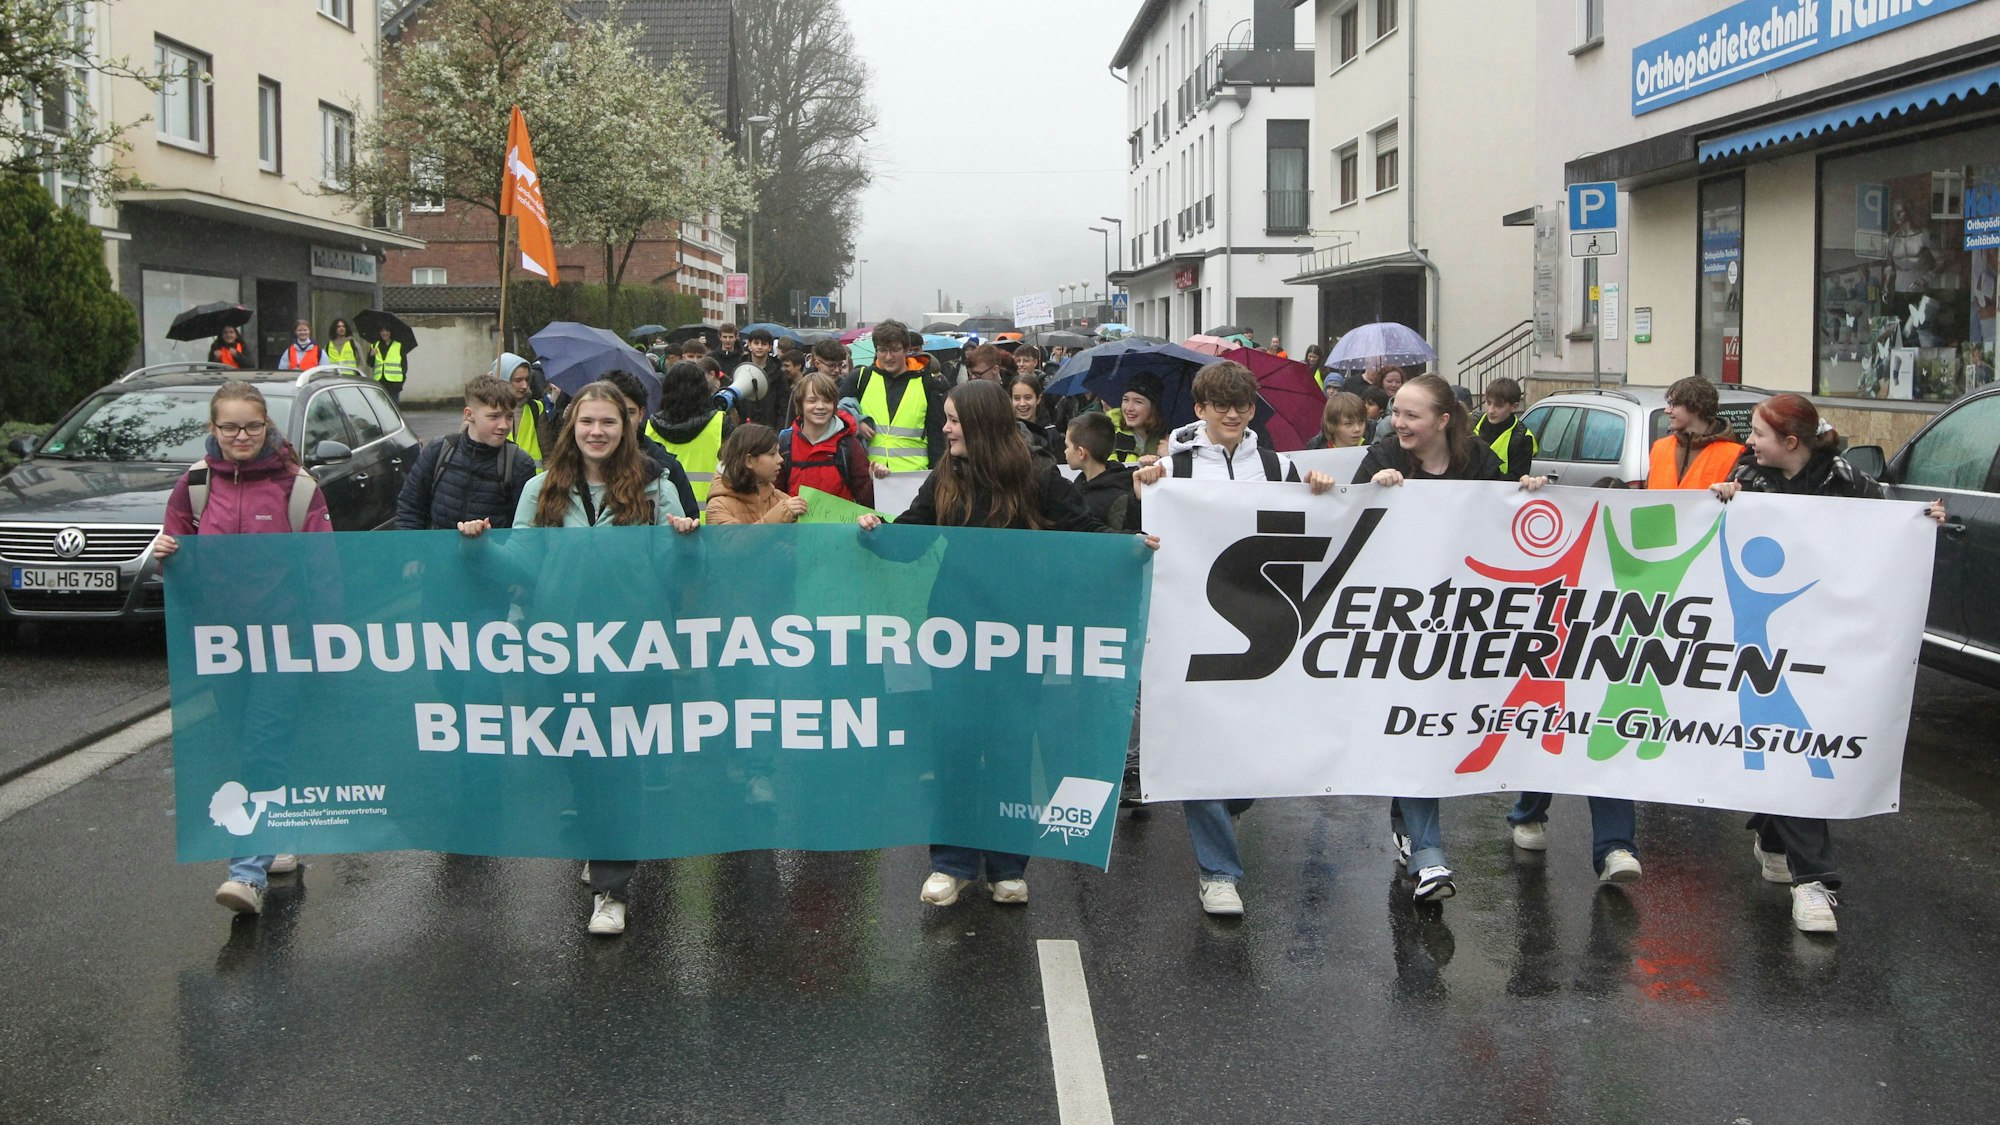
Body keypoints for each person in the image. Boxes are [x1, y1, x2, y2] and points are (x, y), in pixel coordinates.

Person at [857, 381, 1147, 908]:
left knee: (1012, 744)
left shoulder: (1039, 475)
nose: (944, 429)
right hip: (955, 634)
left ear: (981, 424)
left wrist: (1133, 547)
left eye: (953, 420)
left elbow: (1082, 530)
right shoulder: (947, 474)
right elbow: (910, 539)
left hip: (1020, 633)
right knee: (956, 743)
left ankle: (1008, 867)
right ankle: (951, 863)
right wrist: (874, 530)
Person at [460, 382, 699, 936]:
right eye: (587, 421)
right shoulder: (540, 489)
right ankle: (602, 843)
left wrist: (686, 544)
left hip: (633, 649)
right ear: (572, 426)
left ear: (626, 428)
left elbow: (672, 575)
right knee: (582, 762)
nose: (597, 431)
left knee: (617, 764)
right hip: (561, 650)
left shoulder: (656, 486)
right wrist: (480, 550)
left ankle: (612, 886)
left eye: (608, 422)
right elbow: (522, 568)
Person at [1711, 393, 1946, 933]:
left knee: (1799, 744)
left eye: (1759, 434)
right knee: (1793, 747)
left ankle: (1775, 836)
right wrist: (1722, 500)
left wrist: (1921, 519)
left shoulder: (1846, 480)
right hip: (1763, 647)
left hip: (1827, 641)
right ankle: (1813, 880)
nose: (1749, 441)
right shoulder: (1748, 478)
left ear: (1791, 442)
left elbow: (1887, 524)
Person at [1130, 361, 1335, 916]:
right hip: (1190, 628)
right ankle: (1218, 872)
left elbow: (1316, 526)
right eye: (1220, 405)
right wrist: (1141, 494)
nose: (1232, 414)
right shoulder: (1172, 469)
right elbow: (1139, 532)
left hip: (1262, 630)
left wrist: (1321, 490)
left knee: (1249, 755)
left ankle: (1229, 802)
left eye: (1242, 405)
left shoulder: (1277, 467)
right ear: (1200, 410)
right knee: (1198, 750)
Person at [1356, 372, 1549, 904]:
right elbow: (1349, 524)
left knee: (1439, 726)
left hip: (1465, 618)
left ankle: (1407, 827)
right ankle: (1429, 855)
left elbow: (1505, 520)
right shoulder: (1382, 457)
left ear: (1443, 420)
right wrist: (1371, 492)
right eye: (1396, 413)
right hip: (1400, 619)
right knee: (1414, 725)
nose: (1398, 423)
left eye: (1410, 415)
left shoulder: (1478, 459)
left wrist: (1527, 492)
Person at [153, 380, 333, 915]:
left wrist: (328, 643)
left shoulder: (297, 488)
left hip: (283, 642)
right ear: (213, 428)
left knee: (263, 743)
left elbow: (325, 572)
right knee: (245, 745)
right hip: (222, 645)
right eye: (229, 427)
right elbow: (177, 562)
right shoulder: (194, 486)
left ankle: (246, 873)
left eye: (252, 426)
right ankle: (276, 830)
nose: (241, 436)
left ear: (266, 425)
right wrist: (164, 554)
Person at [396, 375, 536, 531]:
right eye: (494, 416)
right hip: (438, 546)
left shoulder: (518, 463)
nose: (503, 425)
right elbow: (409, 508)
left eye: (509, 416)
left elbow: (526, 529)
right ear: (469, 415)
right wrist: (412, 546)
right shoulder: (439, 450)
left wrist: (491, 541)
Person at [838, 319, 950, 475]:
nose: (888, 357)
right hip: (869, 475)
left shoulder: (928, 383)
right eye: (882, 350)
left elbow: (937, 437)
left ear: (906, 350)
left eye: (895, 350)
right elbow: (837, 414)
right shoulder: (860, 378)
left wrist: (936, 477)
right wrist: (856, 421)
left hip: (914, 476)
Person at [601, 368, 700, 520]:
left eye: (629, 413)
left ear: (641, 414)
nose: (621, 421)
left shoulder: (667, 468)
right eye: (612, 413)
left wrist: (684, 526)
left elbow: (689, 518)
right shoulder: (573, 466)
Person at [778, 372, 874, 507]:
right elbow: (773, 494)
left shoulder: (848, 445)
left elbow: (866, 498)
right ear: (800, 404)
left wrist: (874, 480)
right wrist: (785, 506)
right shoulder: (785, 443)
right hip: (793, 521)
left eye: (827, 400)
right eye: (812, 400)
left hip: (839, 521)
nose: (820, 406)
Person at [647, 359, 733, 509]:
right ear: (704, 389)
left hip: (666, 514)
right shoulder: (720, 422)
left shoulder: (651, 426)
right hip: (711, 513)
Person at [1648, 375, 1744, 490]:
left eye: (1674, 404)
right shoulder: (1659, 448)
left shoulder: (1732, 454)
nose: (1667, 410)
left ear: (1696, 407)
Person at [707, 423, 809, 525]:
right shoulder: (718, 506)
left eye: (778, 452)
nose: (780, 459)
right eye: (772, 454)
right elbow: (734, 536)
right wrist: (778, 517)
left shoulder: (781, 500)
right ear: (749, 461)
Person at [1065, 411, 1137, 531]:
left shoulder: (1118, 498)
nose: (1065, 451)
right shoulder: (1075, 488)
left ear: (1081, 453)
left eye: (1067, 446)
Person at [1472, 377, 1538, 477]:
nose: (1490, 410)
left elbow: (1516, 480)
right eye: (1488, 403)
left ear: (1514, 407)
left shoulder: (1522, 438)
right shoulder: (1470, 422)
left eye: (1498, 406)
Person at [497, 353, 555, 467]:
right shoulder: (486, 409)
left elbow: (548, 453)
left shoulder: (537, 408)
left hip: (532, 475)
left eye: (527, 379)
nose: (524, 385)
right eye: (518, 380)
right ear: (504, 379)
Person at [1109, 371, 1168, 464]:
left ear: (1153, 408)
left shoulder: (1168, 439)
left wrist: (1171, 457)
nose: (1129, 408)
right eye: (1126, 400)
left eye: (1138, 402)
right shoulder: (1109, 435)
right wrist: (1138, 466)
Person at [1007, 372, 1058, 456]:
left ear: (1038, 399)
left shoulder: (1051, 433)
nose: (1022, 404)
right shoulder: (1006, 433)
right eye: (1017, 398)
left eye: (1028, 398)